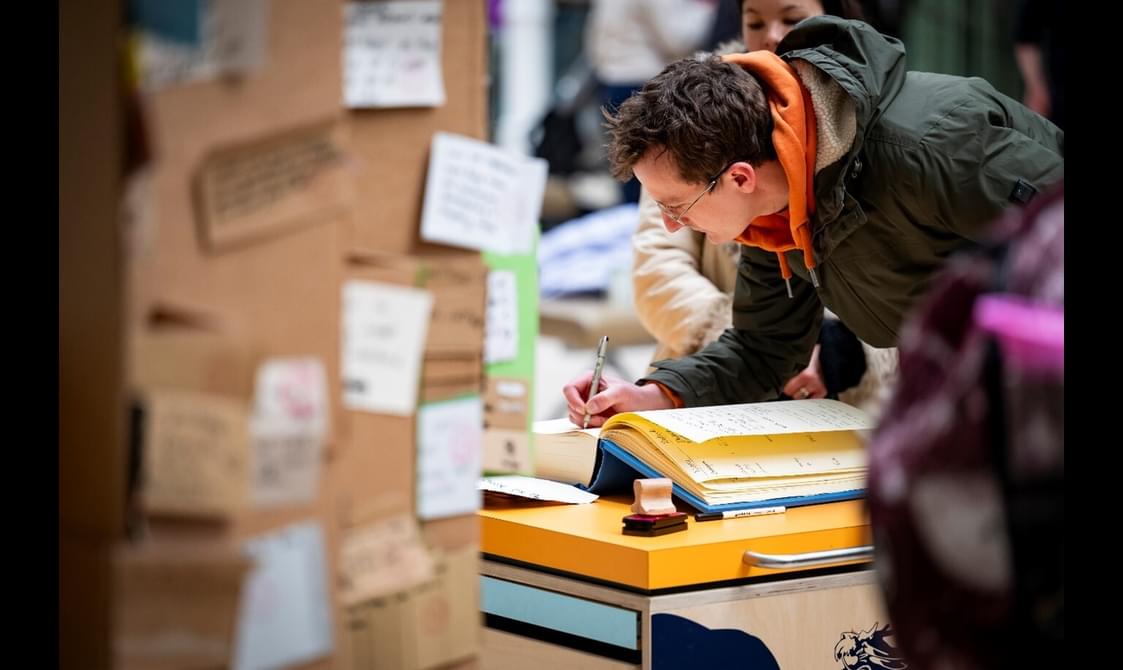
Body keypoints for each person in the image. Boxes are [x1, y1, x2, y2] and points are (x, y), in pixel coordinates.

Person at [564, 15, 1063, 426]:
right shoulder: (772, 207)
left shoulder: (937, 144)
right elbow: (765, 347)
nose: (670, 225)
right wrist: (655, 395)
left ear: (739, 178)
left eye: (678, 207)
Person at [633, 0, 893, 414]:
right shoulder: (694, 110)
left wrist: (836, 352)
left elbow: (915, 292)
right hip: (712, 382)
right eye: (754, 21)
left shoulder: (873, 127)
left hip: (846, 401)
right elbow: (656, 267)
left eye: (792, 20)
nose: (772, 36)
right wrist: (764, 342)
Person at [585, 0, 718, 203]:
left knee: (629, 175)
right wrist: (709, 9)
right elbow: (678, 39)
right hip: (644, 83)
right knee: (650, 180)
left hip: (610, 80)